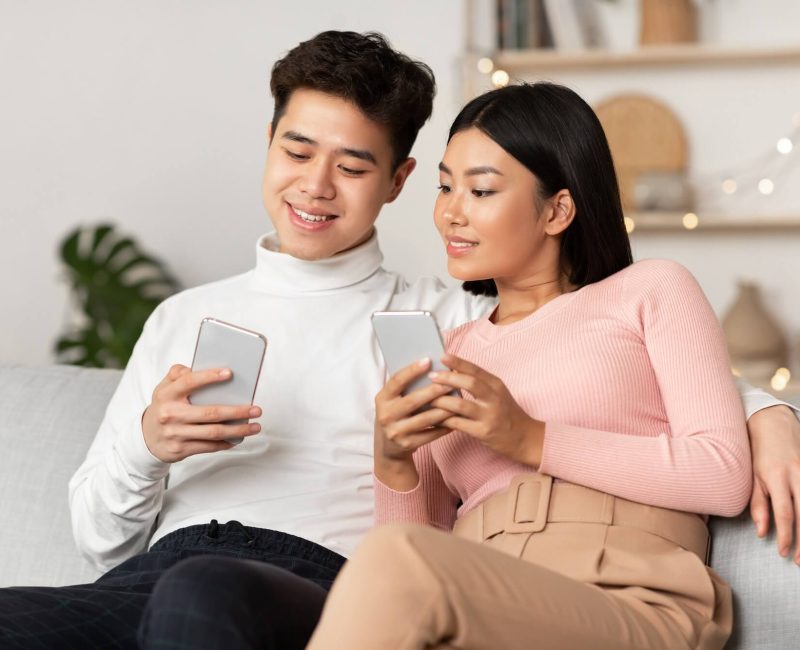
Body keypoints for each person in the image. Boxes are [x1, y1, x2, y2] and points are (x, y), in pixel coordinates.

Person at [0, 29, 796, 650]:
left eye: (351, 165)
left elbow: (625, 373)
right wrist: (149, 447)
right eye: (296, 150)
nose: (315, 185)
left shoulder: (439, 322)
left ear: (394, 181)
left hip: (318, 580)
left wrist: (768, 409)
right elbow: (98, 539)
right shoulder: (185, 317)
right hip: (176, 571)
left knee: (210, 594)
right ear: (269, 142)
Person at [304, 82, 785, 650]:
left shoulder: (652, 290)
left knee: (396, 560)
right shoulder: (451, 348)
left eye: (480, 190)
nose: (450, 213)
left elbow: (722, 474)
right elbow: (415, 554)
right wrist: (394, 460)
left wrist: (529, 438)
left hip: (628, 599)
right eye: (444, 186)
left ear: (557, 210)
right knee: (394, 563)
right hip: (484, 607)